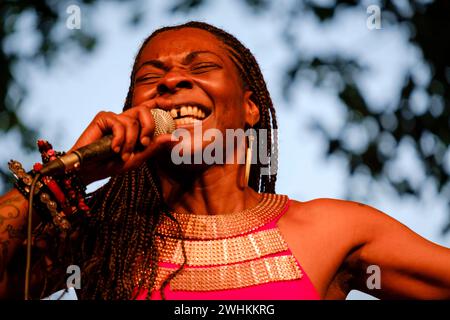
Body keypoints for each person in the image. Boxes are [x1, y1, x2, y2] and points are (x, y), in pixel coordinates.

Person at [0, 21, 449, 300]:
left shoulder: (336, 231)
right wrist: (72, 179)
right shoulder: (100, 240)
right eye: (150, 77)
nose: (173, 80)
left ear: (251, 108)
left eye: (200, 68)